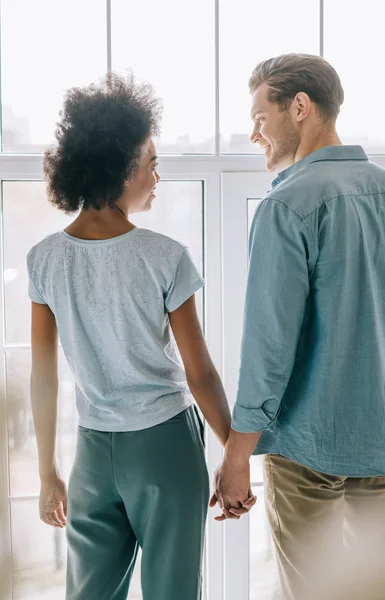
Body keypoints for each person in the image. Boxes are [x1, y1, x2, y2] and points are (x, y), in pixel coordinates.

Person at [27, 73, 254, 600]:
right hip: (165, 446)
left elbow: (44, 376)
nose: (158, 176)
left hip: (90, 453)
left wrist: (46, 475)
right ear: (122, 167)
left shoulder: (43, 259)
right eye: (152, 164)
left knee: (88, 593)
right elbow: (199, 373)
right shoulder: (164, 255)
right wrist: (231, 456)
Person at [211, 53, 385, 599]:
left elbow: (269, 348)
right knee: (378, 589)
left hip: (306, 446)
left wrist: (236, 455)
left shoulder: (287, 204)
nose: (253, 134)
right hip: (383, 439)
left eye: (259, 116)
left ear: (299, 106)